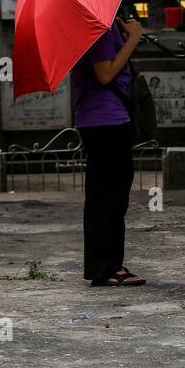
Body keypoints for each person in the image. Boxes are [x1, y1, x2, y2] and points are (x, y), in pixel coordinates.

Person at [71, 15, 147, 287]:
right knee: (107, 197)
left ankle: (110, 264)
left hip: (103, 119)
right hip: (106, 121)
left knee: (111, 196)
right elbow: (105, 74)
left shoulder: (98, 27)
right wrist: (134, 38)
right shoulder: (98, 29)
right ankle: (104, 267)